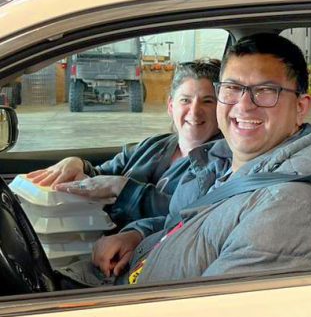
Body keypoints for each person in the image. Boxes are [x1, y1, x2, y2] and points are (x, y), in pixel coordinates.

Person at [58, 33, 311, 287]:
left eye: (265, 91)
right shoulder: (218, 160)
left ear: (301, 108)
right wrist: (138, 236)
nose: (244, 104)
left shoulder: (290, 208)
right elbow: (181, 224)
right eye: (232, 88)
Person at [26, 59, 222, 228]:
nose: (195, 112)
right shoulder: (152, 146)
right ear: (171, 106)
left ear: (222, 108)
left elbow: (189, 216)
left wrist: (122, 188)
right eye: (185, 100)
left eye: (207, 101)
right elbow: (100, 177)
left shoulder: (222, 163)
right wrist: (78, 164)